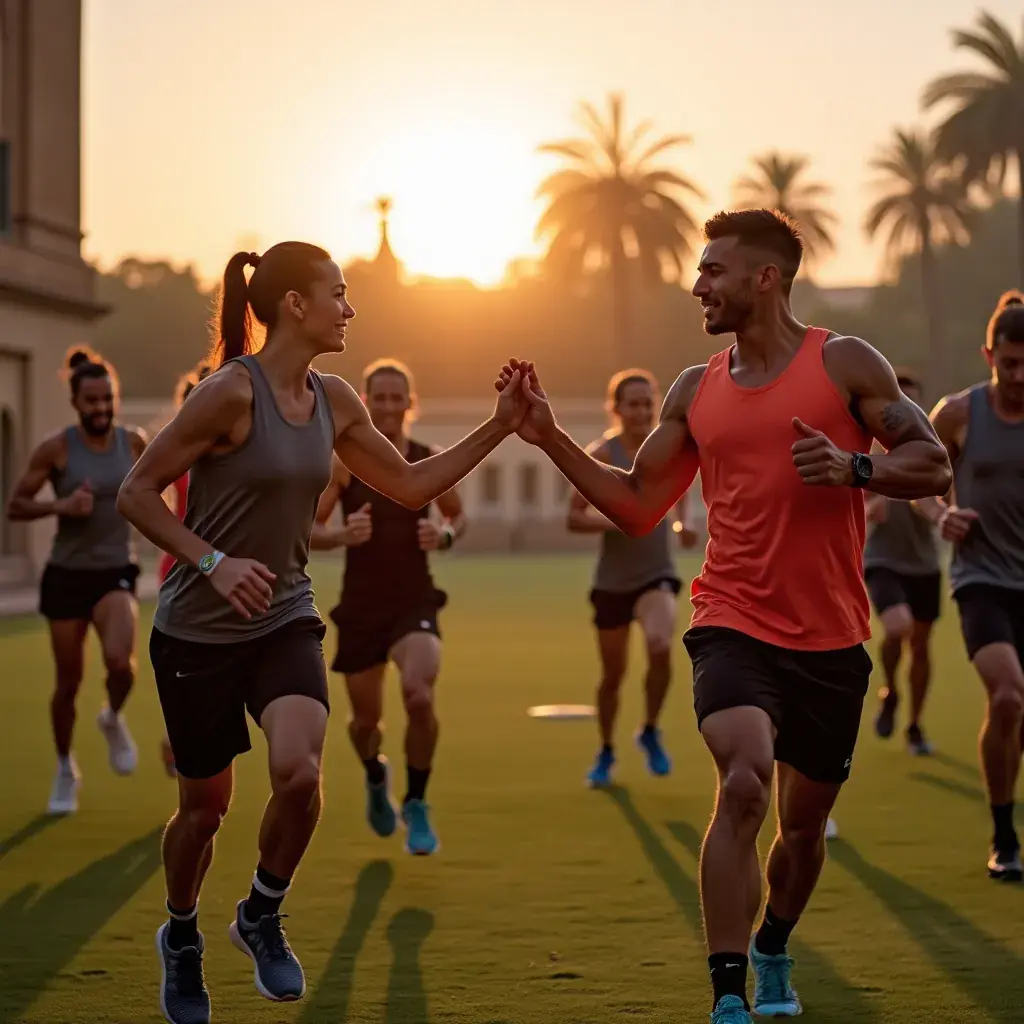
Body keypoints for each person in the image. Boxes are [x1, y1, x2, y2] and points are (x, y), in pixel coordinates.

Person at [497, 210, 951, 1023]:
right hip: (731, 619)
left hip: (832, 638)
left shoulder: (844, 362)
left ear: (764, 278)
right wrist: (550, 437)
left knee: (802, 831)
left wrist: (854, 468)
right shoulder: (693, 389)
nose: (697, 284)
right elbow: (637, 504)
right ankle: (729, 993)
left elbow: (931, 462)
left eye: (713, 270)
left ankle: (774, 944)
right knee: (742, 783)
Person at [116, 241, 530, 1024]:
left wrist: (500, 427)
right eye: (337, 294)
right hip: (197, 633)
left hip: (284, 617)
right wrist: (212, 562)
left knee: (302, 774)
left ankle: (260, 913)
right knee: (204, 813)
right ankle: (182, 935)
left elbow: (409, 483)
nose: (350, 308)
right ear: (294, 305)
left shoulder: (336, 398)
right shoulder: (227, 394)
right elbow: (135, 494)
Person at [311, 358, 465, 856]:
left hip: (414, 599)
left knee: (419, 695)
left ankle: (416, 801)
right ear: (364, 402)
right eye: (379, 397)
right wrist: (341, 535)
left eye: (397, 397)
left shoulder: (427, 459)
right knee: (364, 725)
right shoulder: (343, 463)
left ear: (410, 403)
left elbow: (458, 518)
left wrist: (443, 535)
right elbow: (308, 529)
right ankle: (376, 775)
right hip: (361, 607)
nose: (389, 406)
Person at [7, 347, 147, 815]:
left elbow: (156, 488)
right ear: (75, 402)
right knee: (68, 682)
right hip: (67, 575)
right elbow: (16, 505)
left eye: (108, 398)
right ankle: (66, 768)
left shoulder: (134, 443)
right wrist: (61, 506)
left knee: (121, 664)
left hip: (114, 570)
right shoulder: (57, 448)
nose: (101, 408)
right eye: (91, 401)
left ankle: (111, 716)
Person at [916, 289, 1024, 882]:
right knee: (1006, 696)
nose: (1019, 376)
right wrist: (942, 516)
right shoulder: (958, 413)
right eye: (1009, 364)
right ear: (989, 356)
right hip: (981, 577)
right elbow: (916, 480)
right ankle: (1004, 836)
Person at [568, 368, 697, 788]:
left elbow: (679, 492)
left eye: (648, 404)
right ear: (616, 409)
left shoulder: (666, 448)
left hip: (656, 572)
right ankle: (606, 750)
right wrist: (619, 520)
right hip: (612, 581)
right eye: (633, 405)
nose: (642, 412)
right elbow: (574, 517)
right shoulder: (601, 454)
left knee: (660, 644)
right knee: (613, 675)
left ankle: (650, 729)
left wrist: (682, 524)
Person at [863, 369, 942, 755]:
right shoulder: (867, 457)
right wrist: (869, 510)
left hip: (924, 563)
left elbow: (936, 498)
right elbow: (848, 506)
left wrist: (939, 512)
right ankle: (890, 689)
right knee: (897, 626)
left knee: (921, 646)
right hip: (883, 559)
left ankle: (914, 725)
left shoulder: (932, 453)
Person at [157, 360, 212, 779]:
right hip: (182, 567)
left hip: (230, 567)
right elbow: (142, 493)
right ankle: (177, 737)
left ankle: (185, 737)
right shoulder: (179, 443)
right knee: (191, 661)